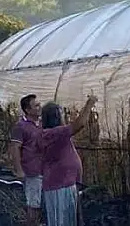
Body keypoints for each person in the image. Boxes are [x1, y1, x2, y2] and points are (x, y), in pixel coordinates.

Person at [40, 96, 97, 226]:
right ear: (55, 117)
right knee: (62, 221)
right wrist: (89, 104)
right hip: (60, 188)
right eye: (60, 114)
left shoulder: (54, 134)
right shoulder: (53, 133)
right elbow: (80, 124)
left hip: (64, 185)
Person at [9, 94, 43, 226]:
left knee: (41, 204)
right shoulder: (20, 126)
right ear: (28, 110)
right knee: (33, 206)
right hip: (32, 171)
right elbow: (15, 148)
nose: (40, 108)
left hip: (44, 169)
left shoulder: (41, 124)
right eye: (36, 105)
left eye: (39, 104)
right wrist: (19, 170)